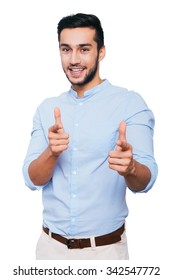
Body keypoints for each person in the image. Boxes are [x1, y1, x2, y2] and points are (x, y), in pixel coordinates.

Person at [22, 13, 158, 260]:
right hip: (50, 250)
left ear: (101, 52)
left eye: (84, 49)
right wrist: (52, 152)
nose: (74, 59)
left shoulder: (130, 103)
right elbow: (33, 179)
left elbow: (146, 180)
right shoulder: (46, 109)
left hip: (105, 252)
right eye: (66, 49)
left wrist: (131, 168)